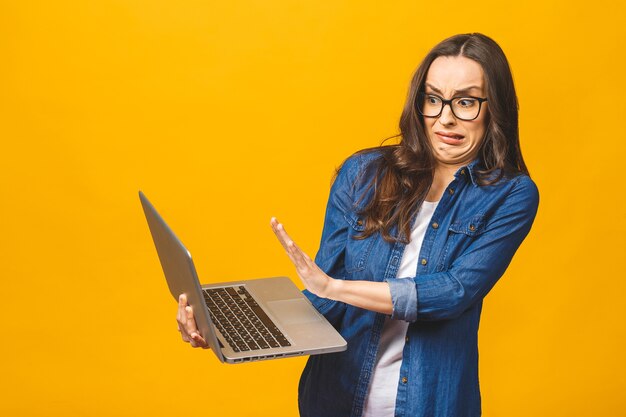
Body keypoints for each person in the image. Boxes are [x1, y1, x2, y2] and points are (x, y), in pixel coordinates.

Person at [177, 33, 539, 417]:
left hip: (431, 403)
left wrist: (336, 287)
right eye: (433, 99)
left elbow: (454, 292)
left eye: (466, 102)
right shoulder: (363, 174)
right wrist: (221, 326)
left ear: (493, 107)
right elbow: (322, 302)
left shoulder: (510, 195)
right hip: (335, 399)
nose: (445, 117)